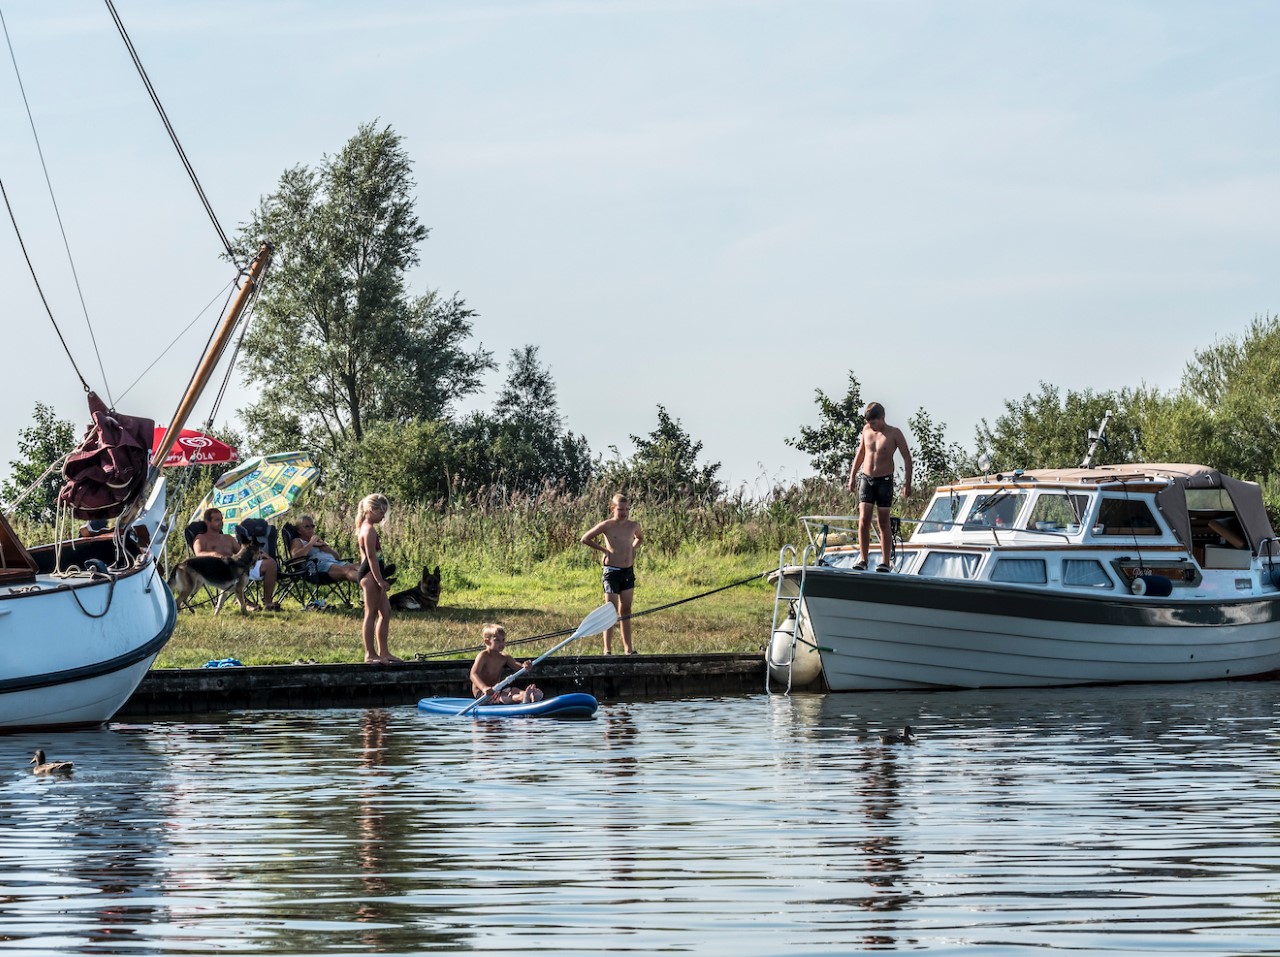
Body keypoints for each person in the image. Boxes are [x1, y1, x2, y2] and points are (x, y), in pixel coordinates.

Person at [846, 402, 913, 572]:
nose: (872, 426)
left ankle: (885, 561)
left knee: (883, 521)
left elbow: (907, 458)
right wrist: (852, 476)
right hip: (866, 479)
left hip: (884, 481)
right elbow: (861, 453)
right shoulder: (866, 430)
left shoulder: (894, 433)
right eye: (869, 423)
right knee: (863, 519)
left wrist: (907, 483)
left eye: (874, 423)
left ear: (882, 418)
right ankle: (863, 559)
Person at [580, 492, 643, 654]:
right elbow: (585, 538)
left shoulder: (633, 525)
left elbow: (640, 538)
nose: (624, 513)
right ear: (612, 508)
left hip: (627, 571)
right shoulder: (607, 525)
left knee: (626, 610)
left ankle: (628, 648)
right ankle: (607, 649)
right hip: (612, 572)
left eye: (627, 509)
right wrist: (604, 550)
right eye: (621, 509)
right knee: (610, 611)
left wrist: (632, 548)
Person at [193, 507, 280, 610]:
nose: (221, 522)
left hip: (239, 568)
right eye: (217, 520)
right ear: (207, 522)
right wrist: (215, 554)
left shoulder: (228, 538)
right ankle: (245, 603)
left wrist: (258, 554)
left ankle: (268, 603)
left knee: (270, 564)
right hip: (218, 572)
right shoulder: (201, 538)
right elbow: (198, 554)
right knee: (236, 579)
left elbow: (242, 552)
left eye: (221, 520)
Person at [356, 493, 399, 663]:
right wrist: (380, 580)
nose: (382, 516)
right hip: (370, 575)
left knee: (385, 612)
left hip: (374, 573)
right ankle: (370, 654)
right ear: (370, 510)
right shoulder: (369, 530)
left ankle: (384, 652)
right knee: (371, 613)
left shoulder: (367, 528)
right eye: (381, 512)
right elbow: (371, 558)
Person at [469, 623, 543, 703]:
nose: (501, 643)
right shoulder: (483, 656)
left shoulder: (505, 657)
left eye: (503, 640)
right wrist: (484, 688)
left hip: (497, 690)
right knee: (503, 698)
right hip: (483, 695)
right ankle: (522, 698)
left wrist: (526, 666)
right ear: (487, 642)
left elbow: (519, 667)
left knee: (514, 690)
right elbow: (473, 674)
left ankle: (527, 695)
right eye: (497, 640)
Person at [290, 514, 361, 583]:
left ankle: (370, 583)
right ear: (299, 530)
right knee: (347, 571)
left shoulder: (317, 541)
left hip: (332, 562)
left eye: (312, 526)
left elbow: (337, 557)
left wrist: (326, 548)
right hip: (318, 567)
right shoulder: (297, 541)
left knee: (356, 566)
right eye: (307, 526)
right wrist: (311, 543)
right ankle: (367, 584)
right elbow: (296, 558)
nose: (310, 528)